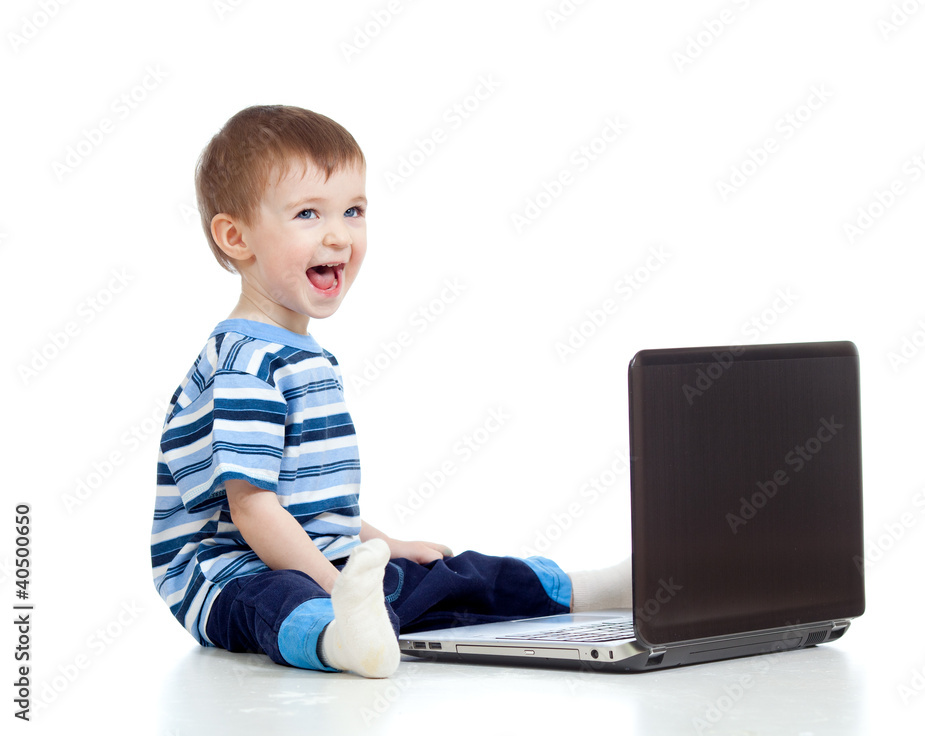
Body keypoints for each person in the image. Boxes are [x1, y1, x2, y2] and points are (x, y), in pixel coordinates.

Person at [151, 105, 630, 678]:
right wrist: (334, 586)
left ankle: (584, 590)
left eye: (353, 211)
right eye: (307, 213)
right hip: (227, 575)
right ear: (236, 237)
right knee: (276, 600)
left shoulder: (307, 358)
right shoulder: (243, 364)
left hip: (316, 558)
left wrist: (384, 546)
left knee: (443, 575)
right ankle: (340, 637)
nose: (338, 234)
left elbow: (315, 509)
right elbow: (254, 511)